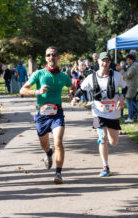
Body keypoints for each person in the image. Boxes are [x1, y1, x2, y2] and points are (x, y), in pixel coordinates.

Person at [20, 46, 76, 184]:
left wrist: (71, 93)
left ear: (59, 57)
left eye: (54, 54)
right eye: (49, 55)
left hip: (57, 113)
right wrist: (36, 92)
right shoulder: (39, 74)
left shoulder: (63, 76)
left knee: (58, 142)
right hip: (42, 113)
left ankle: (58, 174)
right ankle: (48, 153)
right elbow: (23, 89)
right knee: (44, 144)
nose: (51, 57)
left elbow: (72, 87)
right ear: (46, 58)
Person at [72, 52, 127, 177]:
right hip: (98, 112)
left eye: (107, 61)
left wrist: (122, 97)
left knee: (113, 142)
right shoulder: (91, 77)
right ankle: (105, 166)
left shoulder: (117, 76)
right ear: (98, 62)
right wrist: (75, 98)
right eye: (103, 61)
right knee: (102, 139)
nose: (105, 63)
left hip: (113, 112)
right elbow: (81, 89)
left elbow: (125, 87)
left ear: (109, 62)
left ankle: (108, 150)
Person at [121, 54, 138, 122]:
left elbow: (127, 76)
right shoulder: (131, 66)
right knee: (130, 101)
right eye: (127, 59)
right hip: (130, 85)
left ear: (133, 60)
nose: (128, 61)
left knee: (128, 100)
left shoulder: (133, 67)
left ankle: (131, 118)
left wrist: (121, 70)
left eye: (129, 59)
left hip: (132, 86)